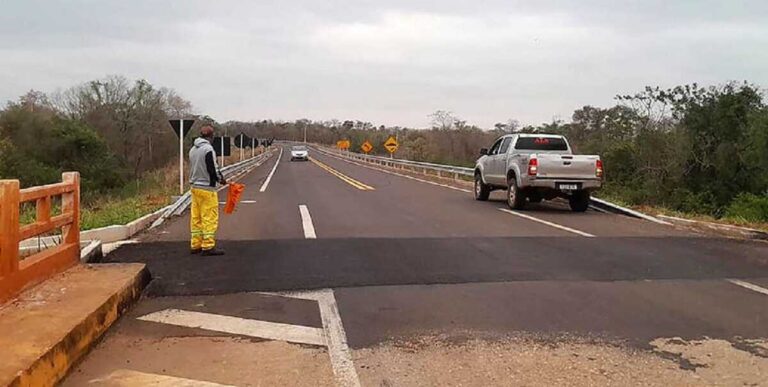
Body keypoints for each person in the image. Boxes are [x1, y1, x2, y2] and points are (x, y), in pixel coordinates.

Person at [188, 125, 226, 255]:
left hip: (194, 188)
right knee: (209, 217)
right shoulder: (208, 149)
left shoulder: (193, 149)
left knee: (196, 217)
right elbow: (212, 168)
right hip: (207, 188)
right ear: (211, 136)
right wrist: (220, 179)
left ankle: (195, 244)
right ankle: (208, 245)